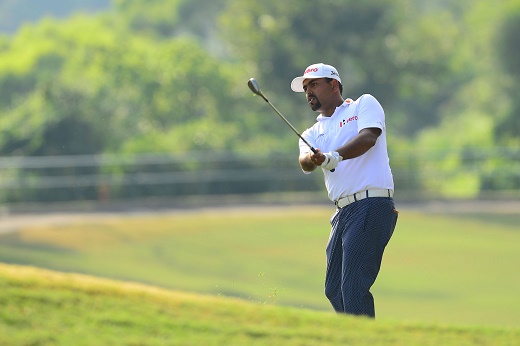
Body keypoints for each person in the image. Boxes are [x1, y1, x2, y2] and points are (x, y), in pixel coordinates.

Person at [291, 63, 398, 318]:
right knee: (334, 289)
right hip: (343, 212)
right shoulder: (312, 133)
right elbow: (305, 162)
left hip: (371, 204)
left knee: (353, 287)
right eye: (305, 88)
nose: (308, 92)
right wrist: (315, 159)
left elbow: (369, 137)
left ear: (334, 84)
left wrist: (333, 157)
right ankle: (356, 337)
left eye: (314, 84)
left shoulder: (363, 105)